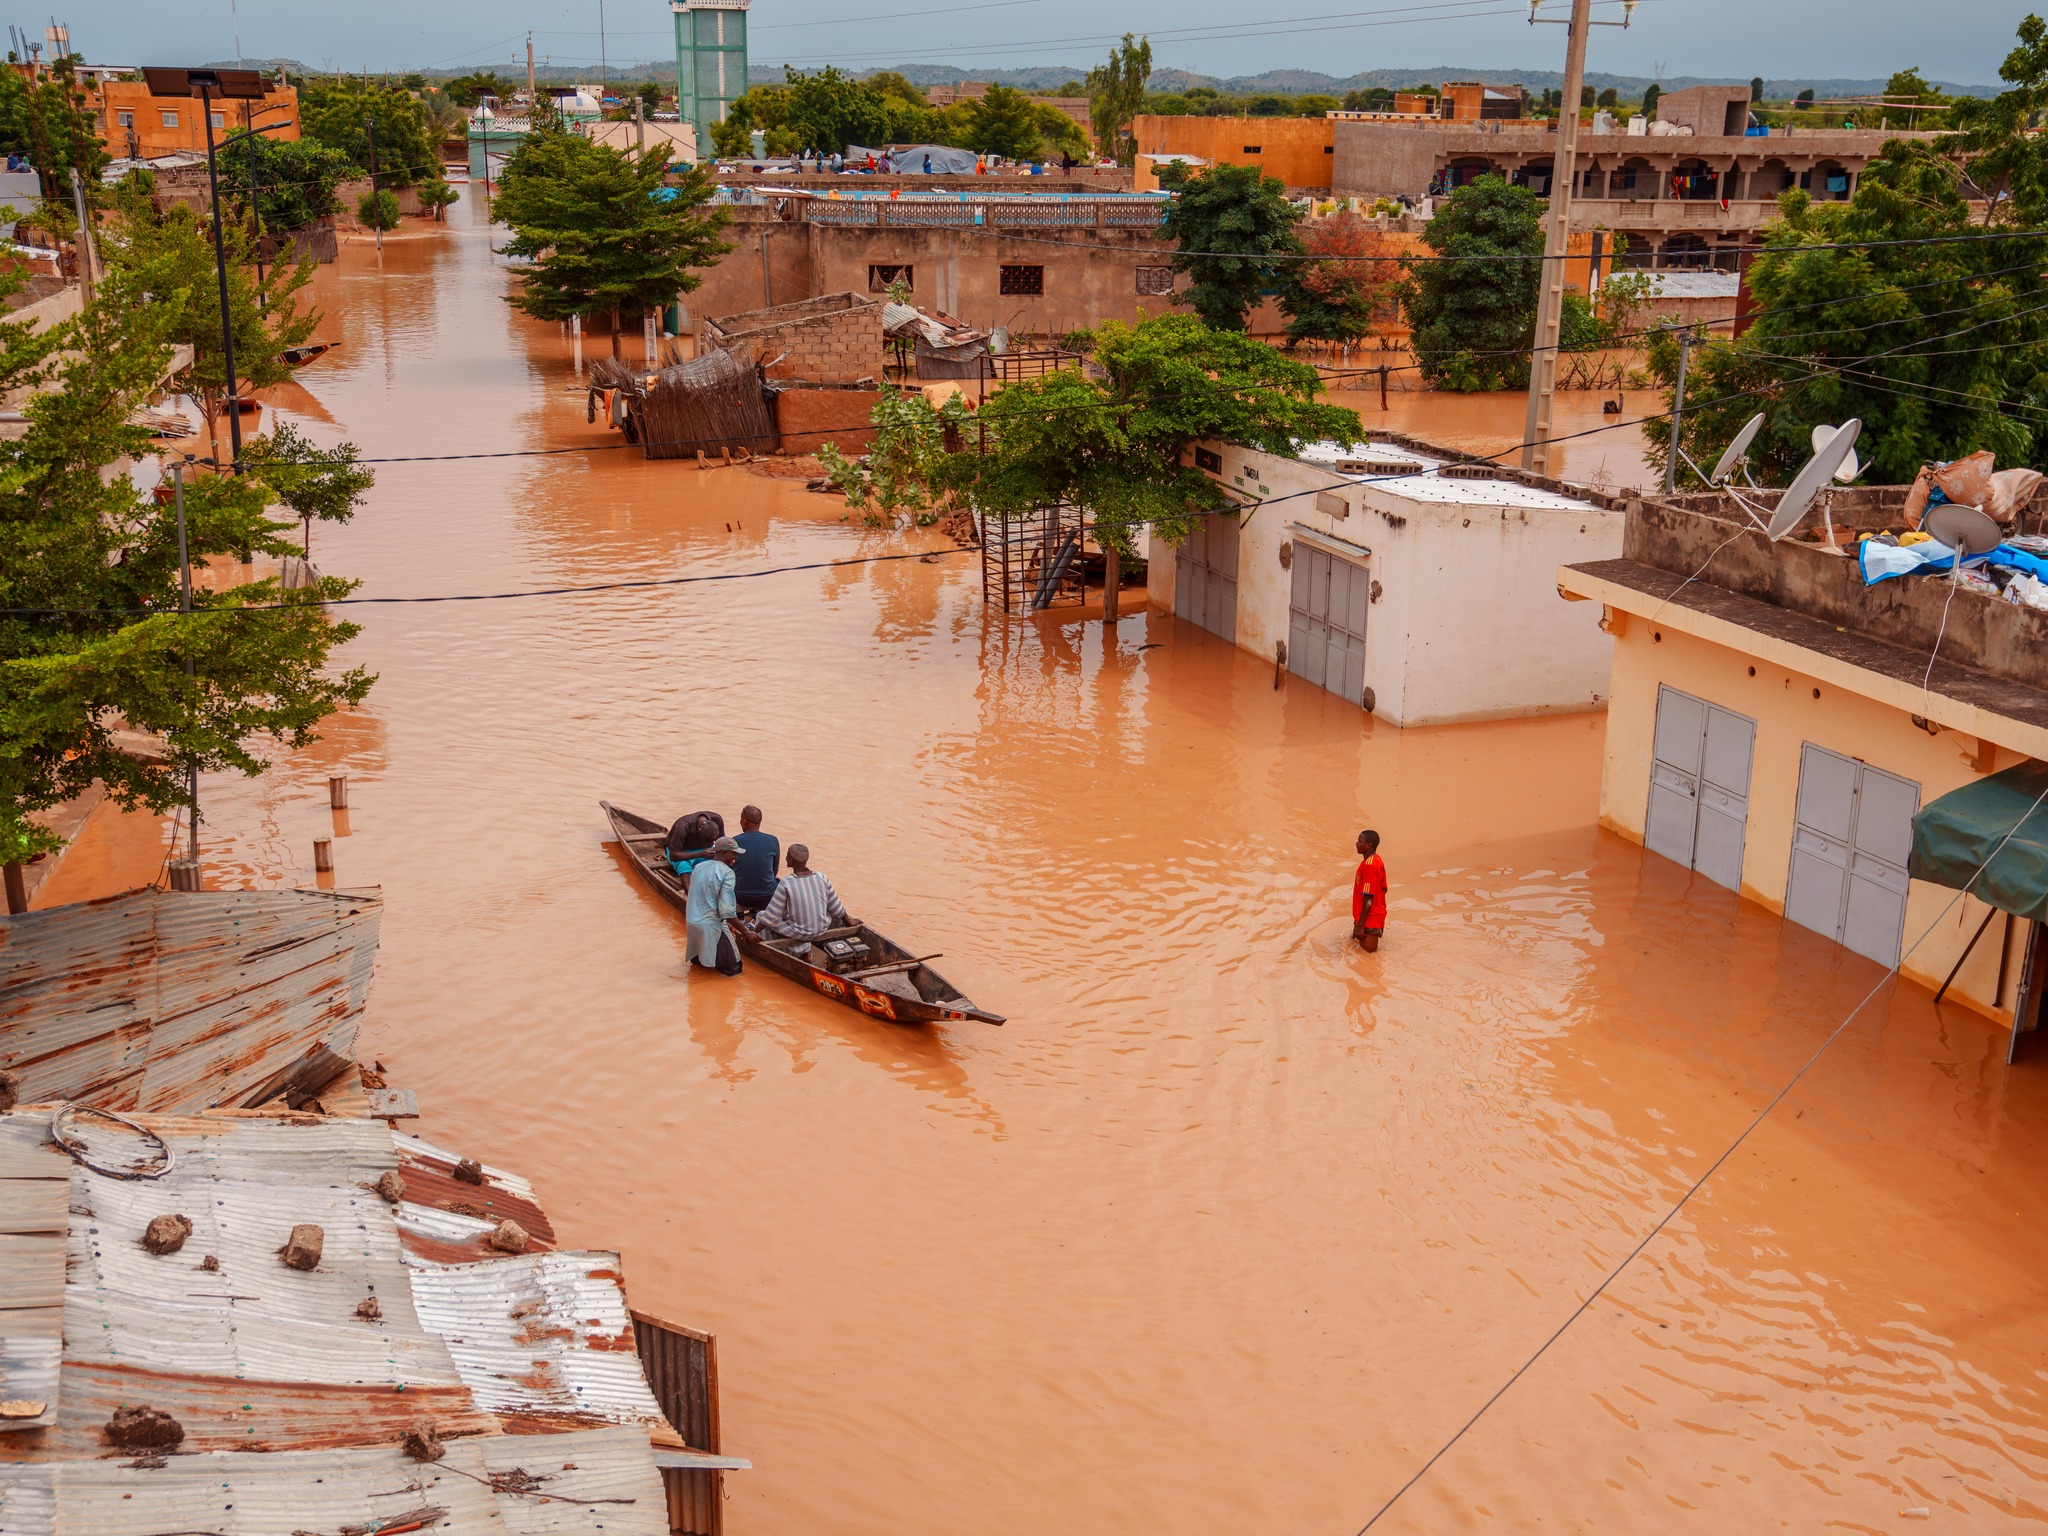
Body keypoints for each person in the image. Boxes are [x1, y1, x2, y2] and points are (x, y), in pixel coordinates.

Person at [749, 843, 852, 940]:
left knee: (761, 916)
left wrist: (754, 932)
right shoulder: (822, 877)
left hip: (801, 933)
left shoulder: (786, 882)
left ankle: (790, 948)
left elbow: (771, 916)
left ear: (791, 860)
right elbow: (836, 906)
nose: (786, 858)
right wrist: (849, 922)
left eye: (787, 856)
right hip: (822, 929)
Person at [685, 835, 744, 975]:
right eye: (733, 853)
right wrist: (746, 932)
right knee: (734, 969)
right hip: (711, 925)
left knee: (699, 967)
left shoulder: (698, 867)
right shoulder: (727, 873)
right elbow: (727, 911)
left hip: (692, 922)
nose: (736, 857)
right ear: (723, 853)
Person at [732, 804, 780, 912]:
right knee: (777, 881)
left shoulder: (735, 841)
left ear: (744, 821)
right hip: (767, 896)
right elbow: (774, 870)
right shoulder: (773, 840)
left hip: (741, 897)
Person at [665, 809, 725, 885]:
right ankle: (690, 894)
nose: (710, 843)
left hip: (704, 851)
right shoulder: (682, 827)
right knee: (684, 865)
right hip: (681, 852)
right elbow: (673, 855)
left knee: (721, 859)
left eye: (711, 841)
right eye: (706, 841)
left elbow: (722, 842)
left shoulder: (717, 819)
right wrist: (700, 854)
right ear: (699, 830)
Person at [1352, 829, 1388, 952]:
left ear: (1369, 845)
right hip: (1365, 916)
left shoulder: (1369, 866)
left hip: (1370, 919)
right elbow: (1384, 888)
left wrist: (1360, 925)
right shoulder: (1377, 859)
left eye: (1360, 841)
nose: (1356, 843)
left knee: (1369, 955)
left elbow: (1368, 898)